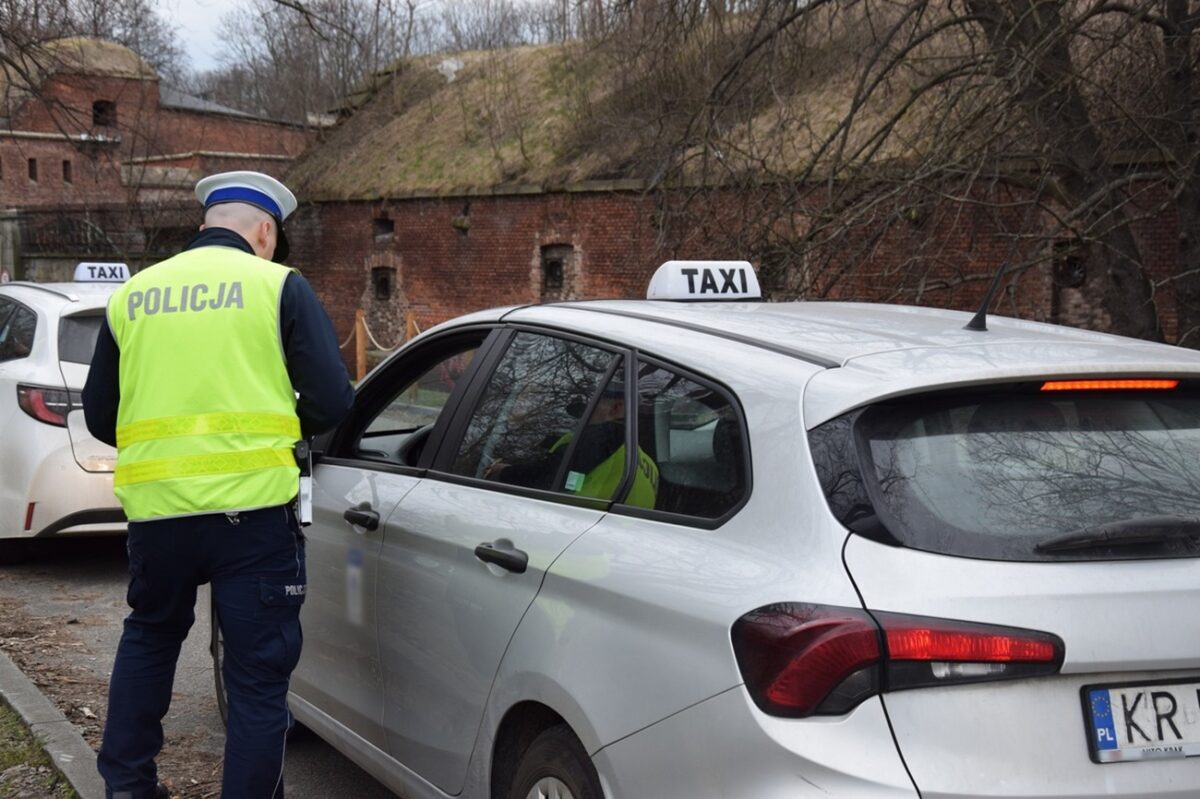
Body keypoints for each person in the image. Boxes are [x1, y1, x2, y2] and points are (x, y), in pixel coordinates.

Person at [82, 171, 354, 799]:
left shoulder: (135, 294)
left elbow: (102, 415)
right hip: (252, 517)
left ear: (205, 224)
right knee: (256, 681)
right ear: (265, 231)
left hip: (158, 515)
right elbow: (332, 400)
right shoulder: (278, 285)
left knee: (150, 638)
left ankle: (127, 788)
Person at [486, 381, 658, 508]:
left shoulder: (603, 438)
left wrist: (504, 472)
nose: (584, 420)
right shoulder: (648, 466)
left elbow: (547, 476)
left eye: (591, 407)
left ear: (616, 408)